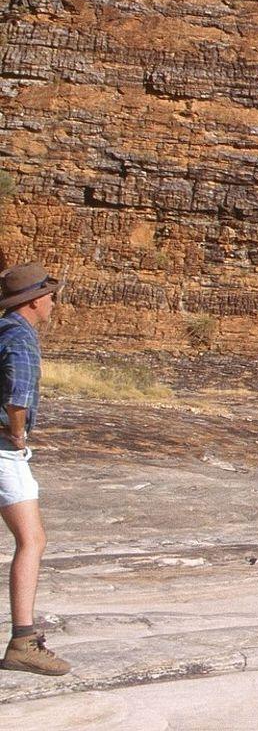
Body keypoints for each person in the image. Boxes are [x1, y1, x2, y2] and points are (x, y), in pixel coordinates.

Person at [0, 262, 70, 676]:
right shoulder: (22, 338)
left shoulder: (2, 329)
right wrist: (20, 435)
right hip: (3, 450)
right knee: (32, 539)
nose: (52, 302)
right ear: (32, 301)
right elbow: (18, 394)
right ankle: (23, 640)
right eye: (49, 295)